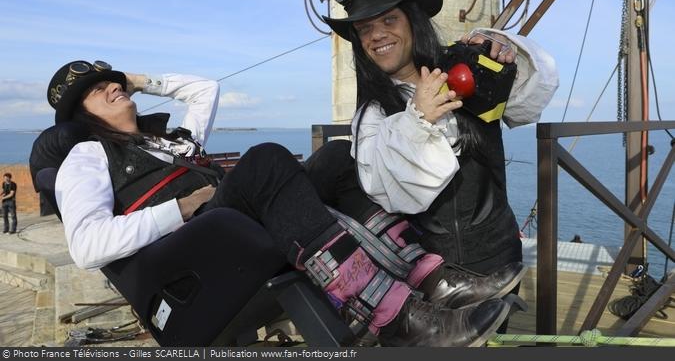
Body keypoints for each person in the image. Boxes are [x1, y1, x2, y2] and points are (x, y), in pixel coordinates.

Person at [46, 59, 516, 347]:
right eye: (92, 91)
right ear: (81, 117)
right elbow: (87, 245)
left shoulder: (169, 139)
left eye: (109, 81)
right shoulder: (87, 156)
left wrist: (135, 78)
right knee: (266, 160)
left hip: (230, 228)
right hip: (196, 259)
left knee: (336, 156)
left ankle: (427, 278)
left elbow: (204, 88)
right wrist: (183, 208)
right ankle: (396, 317)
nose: (109, 88)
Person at [318, 0, 558, 293]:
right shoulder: (371, 113)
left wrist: (506, 51)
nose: (376, 36)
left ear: (413, 20)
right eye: (364, 28)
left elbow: (533, 94)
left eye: (389, 20)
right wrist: (418, 119)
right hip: (431, 275)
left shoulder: (466, 66)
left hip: (499, 256)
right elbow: (388, 191)